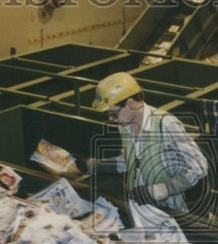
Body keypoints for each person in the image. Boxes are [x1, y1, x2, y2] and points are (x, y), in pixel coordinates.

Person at [82, 71, 208, 214]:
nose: (111, 119)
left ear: (130, 103)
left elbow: (199, 166)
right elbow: (133, 160)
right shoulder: (125, 125)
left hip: (170, 209)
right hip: (139, 205)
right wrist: (97, 165)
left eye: (113, 113)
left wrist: (160, 190)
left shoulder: (165, 124)